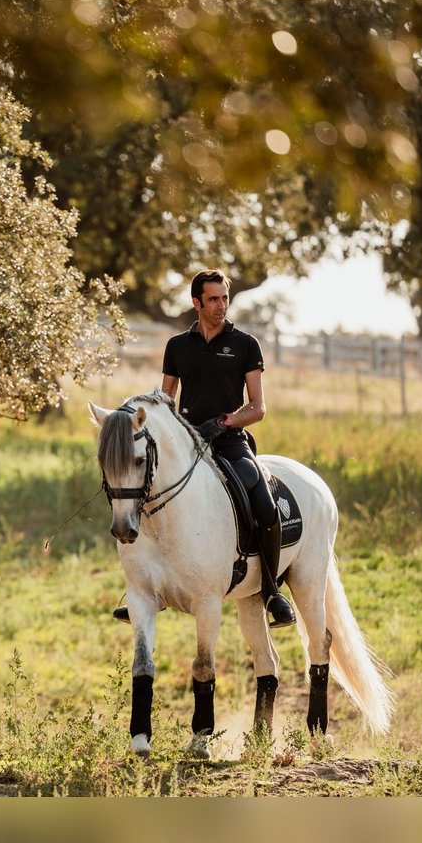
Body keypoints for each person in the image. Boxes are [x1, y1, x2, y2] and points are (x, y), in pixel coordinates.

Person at [116, 268, 296, 628]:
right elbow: (164, 399)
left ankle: (273, 591)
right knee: (141, 496)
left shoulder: (245, 344)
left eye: (225, 298)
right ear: (196, 302)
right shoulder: (178, 346)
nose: (221, 306)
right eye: (213, 299)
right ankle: (145, 587)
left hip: (229, 443)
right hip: (185, 444)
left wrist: (225, 422)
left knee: (263, 500)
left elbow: (258, 407)